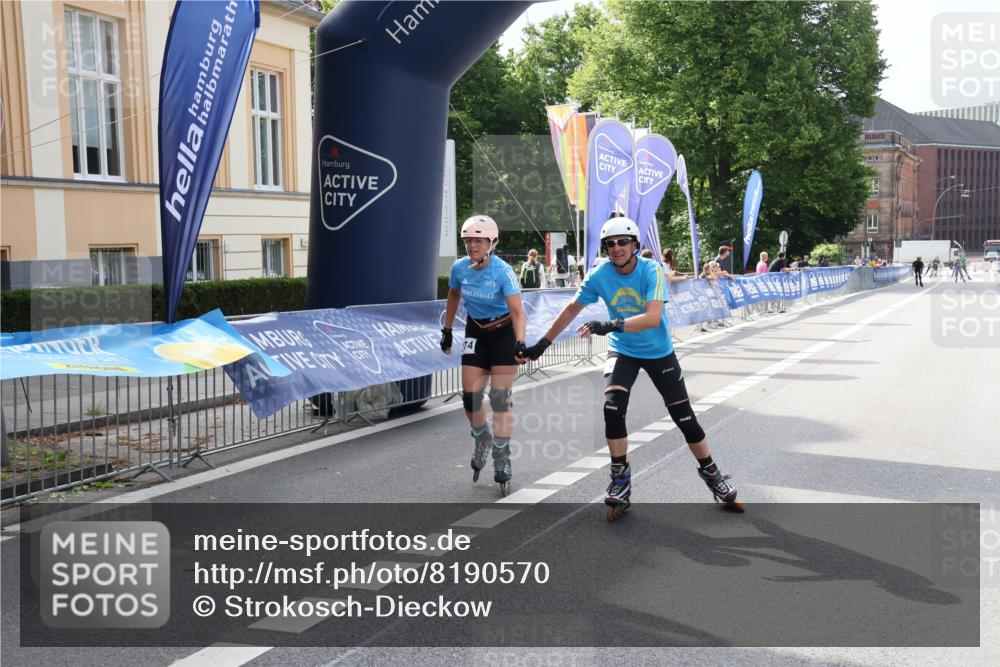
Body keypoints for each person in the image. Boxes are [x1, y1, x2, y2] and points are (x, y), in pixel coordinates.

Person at [517, 217, 741, 518]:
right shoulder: (600, 274)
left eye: (623, 242)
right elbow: (571, 308)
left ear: (635, 245)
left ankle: (712, 475)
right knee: (612, 407)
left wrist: (610, 323)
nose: (617, 248)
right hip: (624, 350)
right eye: (611, 243)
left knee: (684, 417)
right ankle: (620, 479)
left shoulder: (651, 270)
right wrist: (542, 344)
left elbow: (652, 317)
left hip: (659, 352)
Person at [441, 215, 527, 496]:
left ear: (491, 243)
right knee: (470, 397)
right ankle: (482, 437)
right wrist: (448, 329)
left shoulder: (503, 271)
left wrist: (520, 341)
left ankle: (502, 456)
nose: (472, 246)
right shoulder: (459, 268)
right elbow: (453, 295)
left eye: (478, 241)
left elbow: (517, 311)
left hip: (503, 333)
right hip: (476, 332)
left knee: (500, 400)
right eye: (468, 241)